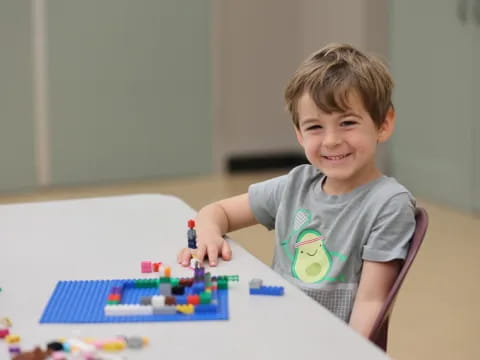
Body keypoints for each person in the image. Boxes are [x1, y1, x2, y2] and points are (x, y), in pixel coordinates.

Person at [177, 43, 416, 338]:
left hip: (326, 344)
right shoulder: (296, 184)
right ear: (299, 134)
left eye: (347, 123)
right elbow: (217, 212)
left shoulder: (388, 203)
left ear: (384, 123)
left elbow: (372, 302)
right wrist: (210, 234)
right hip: (274, 330)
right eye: (315, 127)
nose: (331, 140)